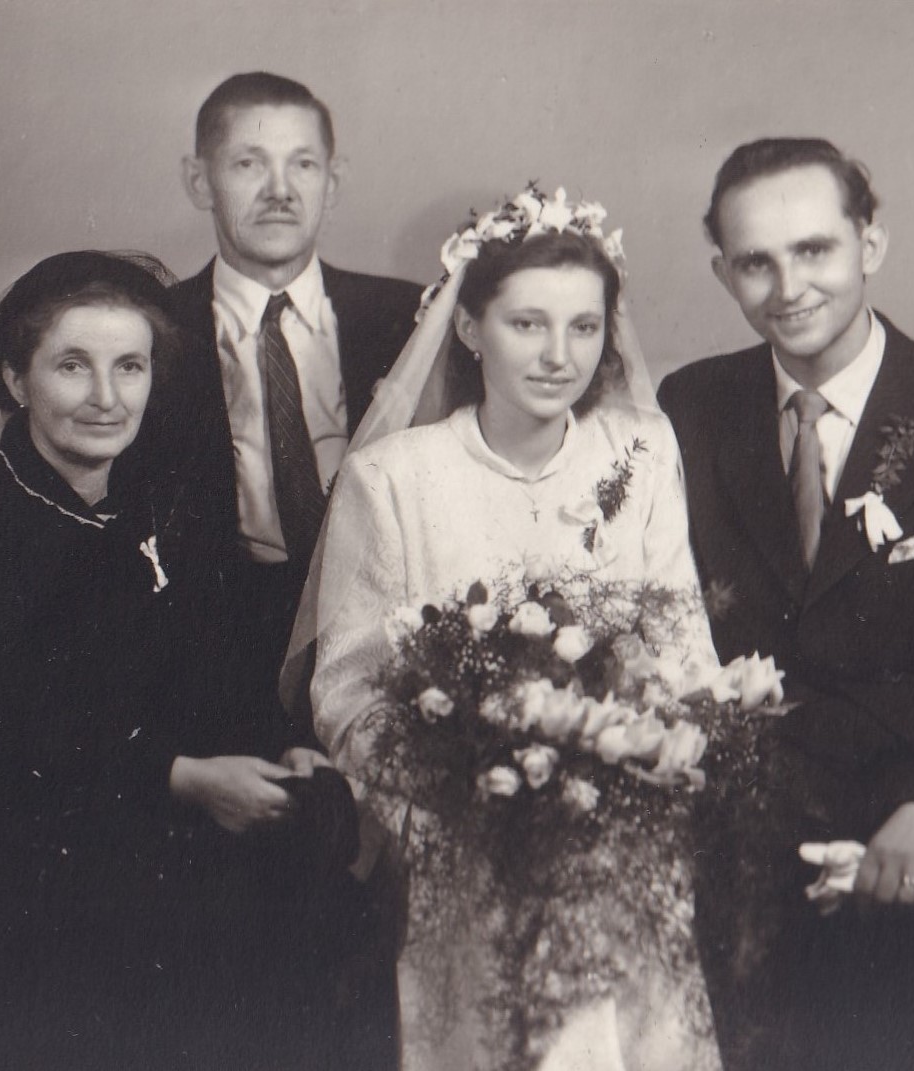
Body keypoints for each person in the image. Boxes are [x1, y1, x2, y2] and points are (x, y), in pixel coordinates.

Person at [658, 138, 914, 1070]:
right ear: (722, 273)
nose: (788, 288)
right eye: (755, 262)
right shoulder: (689, 406)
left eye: (814, 250)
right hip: (740, 832)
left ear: (870, 244)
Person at [0, 251, 345, 1070]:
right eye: (73, 365)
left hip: (148, 861)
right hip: (11, 895)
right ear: (17, 378)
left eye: (129, 366)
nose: (106, 397)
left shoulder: (162, 499)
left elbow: (211, 669)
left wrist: (279, 742)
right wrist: (181, 777)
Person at [305, 187, 721, 1070]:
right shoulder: (392, 477)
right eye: (527, 324)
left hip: (622, 844)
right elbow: (346, 687)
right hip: (464, 847)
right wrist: (455, 798)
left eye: (583, 326)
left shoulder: (642, 452)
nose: (558, 355)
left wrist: (644, 767)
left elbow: (684, 648)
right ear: (468, 327)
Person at [164, 71, 424, 710]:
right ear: (199, 181)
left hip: (391, 647)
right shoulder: (153, 332)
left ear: (331, 183)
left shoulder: (410, 318)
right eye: (248, 163)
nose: (279, 190)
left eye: (302, 164)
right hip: (210, 661)